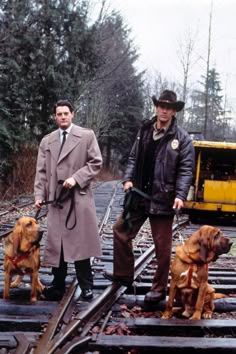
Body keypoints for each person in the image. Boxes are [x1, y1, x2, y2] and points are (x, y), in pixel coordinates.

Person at [104, 90, 195, 303]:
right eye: (161, 106)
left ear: (174, 111)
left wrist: (180, 195)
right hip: (138, 195)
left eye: (168, 107)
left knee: (162, 246)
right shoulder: (144, 130)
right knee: (120, 231)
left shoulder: (181, 138)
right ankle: (123, 276)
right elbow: (133, 157)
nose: (164, 110)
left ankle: (158, 289)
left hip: (163, 198)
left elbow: (186, 169)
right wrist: (128, 179)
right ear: (156, 107)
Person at [34, 99, 103, 301]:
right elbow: (41, 173)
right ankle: (57, 286)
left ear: (72, 114)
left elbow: (96, 163)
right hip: (55, 200)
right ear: (55, 117)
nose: (63, 117)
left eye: (66, 113)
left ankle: (86, 286)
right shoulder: (47, 141)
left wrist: (76, 178)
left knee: (81, 244)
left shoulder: (86, 136)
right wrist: (39, 196)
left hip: (78, 199)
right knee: (58, 245)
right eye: (59, 114)